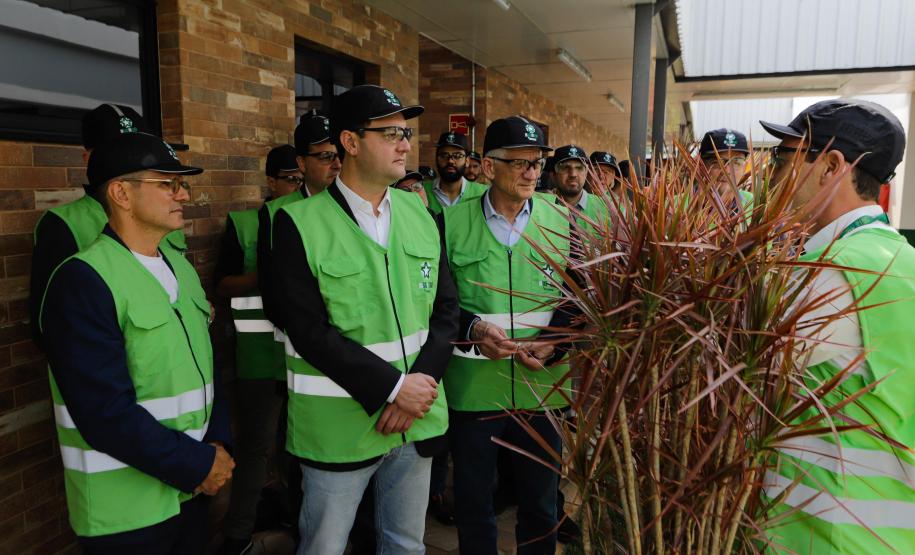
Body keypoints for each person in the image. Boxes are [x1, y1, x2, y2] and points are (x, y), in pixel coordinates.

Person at [270, 84, 460, 554]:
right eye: (390, 132)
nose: (405, 143)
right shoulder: (297, 223)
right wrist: (392, 390)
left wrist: (415, 388)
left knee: (405, 544)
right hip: (340, 429)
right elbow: (307, 329)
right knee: (325, 546)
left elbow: (446, 311)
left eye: (406, 132)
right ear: (350, 142)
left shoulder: (421, 213)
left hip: (417, 418)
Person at [40, 132, 233, 554]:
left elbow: (206, 364)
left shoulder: (179, 267)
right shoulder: (82, 280)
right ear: (121, 193)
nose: (182, 193)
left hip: (191, 493)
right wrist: (199, 464)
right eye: (167, 183)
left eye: (181, 183)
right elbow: (103, 412)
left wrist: (217, 444)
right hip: (126, 513)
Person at [761, 99, 915, 553]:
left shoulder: (835, 271)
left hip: (825, 535)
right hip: (882, 532)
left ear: (831, 166)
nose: (770, 178)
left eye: (782, 159)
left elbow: (737, 370)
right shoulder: (897, 260)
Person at [442, 115, 573, 554]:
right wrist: (474, 327)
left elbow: (580, 299)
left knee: (540, 505)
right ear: (487, 166)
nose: (532, 172)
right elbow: (437, 304)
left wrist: (555, 341)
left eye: (537, 162)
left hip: (543, 391)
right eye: (519, 162)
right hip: (475, 392)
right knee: (475, 503)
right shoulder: (448, 224)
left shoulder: (562, 221)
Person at [29, 103, 187, 350]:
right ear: (88, 158)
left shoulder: (162, 212)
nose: (132, 157)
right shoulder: (62, 225)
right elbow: (51, 327)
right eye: (119, 149)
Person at [215, 144, 302, 555]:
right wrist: (259, 275)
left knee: (299, 447)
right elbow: (223, 285)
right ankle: (238, 535)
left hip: (303, 358)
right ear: (271, 181)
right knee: (255, 448)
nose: (296, 186)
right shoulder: (245, 224)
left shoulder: (316, 221)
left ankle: (296, 517)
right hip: (258, 358)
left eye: (300, 178)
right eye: (289, 179)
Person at [422, 132, 488, 216]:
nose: (450, 161)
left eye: (457, 156)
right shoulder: (421, 191)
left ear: (467, 161)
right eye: (444, 155)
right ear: (436, 159)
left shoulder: (483, 193)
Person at [553, 144, 610, 228]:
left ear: (586, 172)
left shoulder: (606, 210)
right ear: (554, 173)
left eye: (579, 168)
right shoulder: (539, 205)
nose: (573, 174)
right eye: (565, 167)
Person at [697, 128, 753, 207]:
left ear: (744, 168)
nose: (727, 171)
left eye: (736, 162)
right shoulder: (675, 206)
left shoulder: (756, 206)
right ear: (700, 165)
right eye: (717, 162)